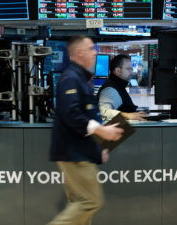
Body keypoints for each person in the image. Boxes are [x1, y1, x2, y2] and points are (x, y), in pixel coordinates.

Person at [48, 35, 124, 225]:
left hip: (79, 151)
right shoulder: (70, 78)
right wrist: (101, 132)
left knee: (80, 204)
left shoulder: (80, 78)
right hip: (74, 153)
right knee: (90, 202)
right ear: (79, 53)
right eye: (91, 48)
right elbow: (71, 113)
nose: (95, 52)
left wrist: (98, 149)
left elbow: (87, 116)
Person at [97, 55, 147, 121]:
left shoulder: (119, 87)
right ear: (118, 71)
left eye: (132, 69)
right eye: (128, 69)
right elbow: (104, 112)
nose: (131, 72)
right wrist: (128, 115)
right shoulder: (110, 90)